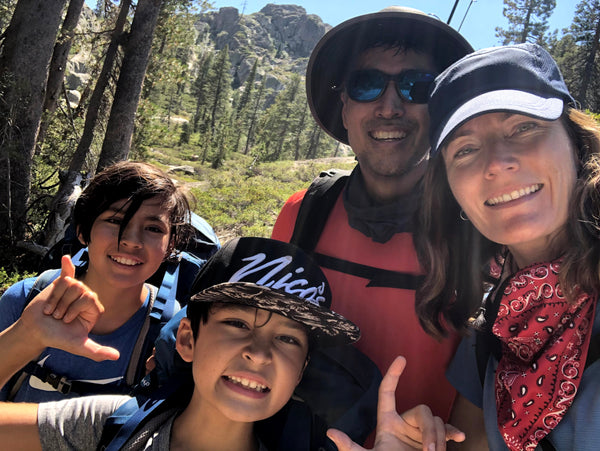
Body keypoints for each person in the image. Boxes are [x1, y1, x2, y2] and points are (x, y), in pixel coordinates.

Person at [0, 237, 464, 450]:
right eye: (238, 324)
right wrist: (25, 338)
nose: (259, 354)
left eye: (286, 338)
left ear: (301, 371)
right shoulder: (107, 426)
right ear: (187, 338)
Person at [271, 6, 473, 421]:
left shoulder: (479, 230)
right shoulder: (301, 214)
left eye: (418, 87)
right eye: (366, 85)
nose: (390, 106)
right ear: (344, 108)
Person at [415, 42, 600, 450]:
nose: (497, 162)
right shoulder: (490, 329)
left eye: (523, 127)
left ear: (576, 143)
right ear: (451, 193)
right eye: (465, 149)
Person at [0, 161, 194, 401]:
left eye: (153, 228)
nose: (132, 241)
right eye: (115, 221)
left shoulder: (170, 326)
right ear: (83, 230)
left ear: (170, 246)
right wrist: (26, 335)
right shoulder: (26, 298)